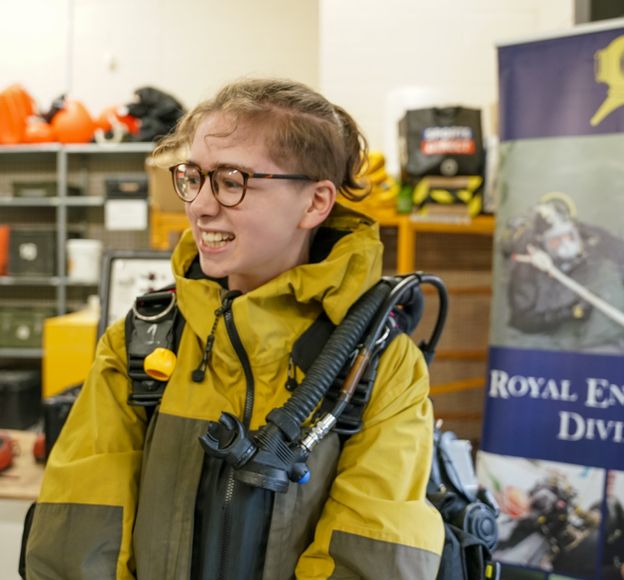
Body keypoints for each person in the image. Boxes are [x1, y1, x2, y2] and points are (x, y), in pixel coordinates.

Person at [25, 79, 444, 579]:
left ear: (315, 203)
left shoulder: (380, 365)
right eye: (193, 177)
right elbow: (78, 536)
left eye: (231, 180)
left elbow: (374, 558)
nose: (200, 206)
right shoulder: (139, 342)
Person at [501, 194, 624, 353]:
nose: (566, 245)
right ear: (542, 243)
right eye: (556, 240)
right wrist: (567, 314)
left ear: (575, 230)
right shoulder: (526, 269)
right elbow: (520, 321)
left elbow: (623, 257)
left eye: (569, 236)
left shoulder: (592, 239)